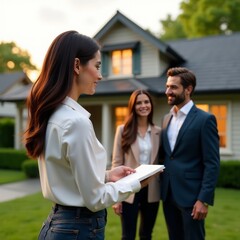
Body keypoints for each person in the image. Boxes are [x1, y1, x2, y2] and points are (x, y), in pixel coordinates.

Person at [23, 30, 149, 240]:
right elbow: (95, 198)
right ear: (76, 66)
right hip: (78, 229)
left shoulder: (54, 114)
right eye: (97, 66)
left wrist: (108, 175)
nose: (100, 75)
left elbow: (70, 175)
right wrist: (136, 183)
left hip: (58, 224)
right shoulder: (76, 122)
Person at [158, 67, 220, 240]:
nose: (167, 91)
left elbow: (212, 163)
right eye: (167, 86)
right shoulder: (166, 119)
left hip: (192, 197)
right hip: (168, 193)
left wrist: (203, 199)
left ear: (188, 89)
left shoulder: (205, 119)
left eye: (173, 87)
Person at [111, 89, 161, 240]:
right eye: (139, 103)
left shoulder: (159, 132)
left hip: (152, 190)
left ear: (151, 105)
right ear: (133, 106)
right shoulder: (122, 130)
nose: (143, 105)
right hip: (128, 190)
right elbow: (116, 162)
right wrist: (117, 198)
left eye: (146, 102)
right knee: (128, 235)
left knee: (146, 235)